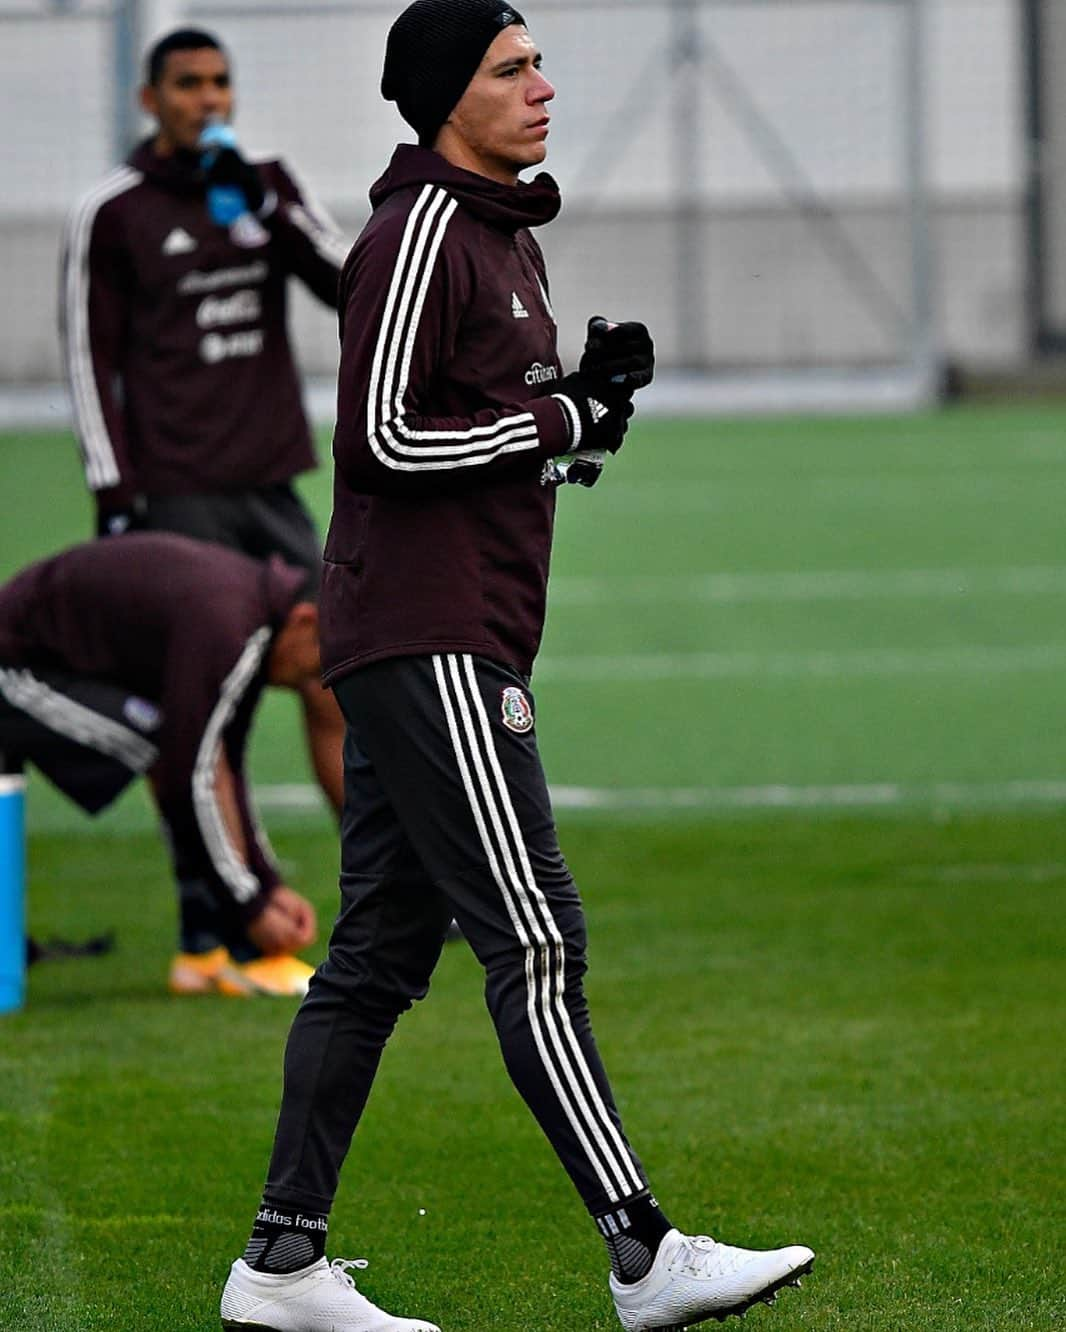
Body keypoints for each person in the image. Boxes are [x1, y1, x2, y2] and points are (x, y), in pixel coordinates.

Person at [221, 3, 815, 1329]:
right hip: (427, 637)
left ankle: (278, 1267)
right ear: (447, 99)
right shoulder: (419, 232)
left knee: (373, 957)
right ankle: (641, 1251)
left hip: (446, 626)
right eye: (510, 68)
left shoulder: (499, 232)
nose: (542, 83)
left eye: (536, 59)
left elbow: (478, 431)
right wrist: (550, 410)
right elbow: (382, 441)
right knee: (534, 934)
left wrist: (580, 412)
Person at [58, 26, 348, 960]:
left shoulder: (261, 185)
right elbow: (87, 360)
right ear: (152, 100)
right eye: (188, 84)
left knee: (340, 682)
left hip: (269, 485)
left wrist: (270, 202)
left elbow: (353, 286)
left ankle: (395, 889)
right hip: (176, 496)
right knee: (208, 717)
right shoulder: (115, 211)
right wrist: (116, 500)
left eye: (221, 84)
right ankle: (215, 919)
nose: (208, 99)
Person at [0, 533, 325, 997]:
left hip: (54, 660)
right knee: (171, 756)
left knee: (187, 755)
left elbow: (224, 763)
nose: (311, 680)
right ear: (304, 620)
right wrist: (251, 907)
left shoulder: (254, 614)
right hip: (12, 664)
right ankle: (232, 946)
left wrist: (266, 886)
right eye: (318, 662)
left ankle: (212, 949)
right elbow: (190, 773)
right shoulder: (231, 627)